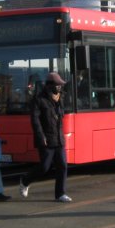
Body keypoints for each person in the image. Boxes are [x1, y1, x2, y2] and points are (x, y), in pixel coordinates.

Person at [19, 72, 72, 203]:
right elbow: (35, 121)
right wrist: (40, 136)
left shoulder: (60, 99)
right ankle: (25, 180)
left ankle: (60, 194)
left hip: (59, 138)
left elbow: (60, 118)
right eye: (58, 85)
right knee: (44, 167)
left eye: (60, 85)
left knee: (62, 166)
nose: (60, 87)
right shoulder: (39, 100)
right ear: (50, 86)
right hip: (46, 139)